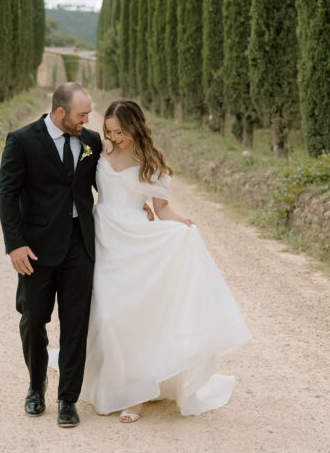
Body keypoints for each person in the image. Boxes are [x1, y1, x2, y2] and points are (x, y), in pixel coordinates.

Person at [79, 98, 251, 423]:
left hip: (135, 242)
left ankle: (136, 395)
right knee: (105, 316)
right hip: (102, 236)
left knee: (132, 317)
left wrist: (181, 222)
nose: (115, 137)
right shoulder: (99, 149)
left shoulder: (151, 163)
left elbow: (161, 209)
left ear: (135, 127)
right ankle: (109, 382)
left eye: (120, 131)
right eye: (110, 131)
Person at [0, 82, 102, 429]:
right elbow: (7, 193)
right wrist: (14, 244)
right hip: (35, 249)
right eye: (81, 114)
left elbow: (106, 184)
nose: (87, 119)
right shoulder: (22, 141)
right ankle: (35, 387)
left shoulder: (91, 141)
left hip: (79, 245)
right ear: (60, 112)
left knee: (76, 324)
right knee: (33, 320)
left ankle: (66, 399)